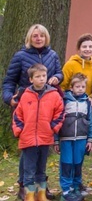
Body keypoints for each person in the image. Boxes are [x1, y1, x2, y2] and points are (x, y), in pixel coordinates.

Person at [3, 24, 63, 200]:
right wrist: (9, 98)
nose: (38, 38)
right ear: (30, 38)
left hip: (46, 104)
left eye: (41, 36)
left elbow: (59, 73)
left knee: (41, 152)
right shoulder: (20, 56)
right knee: (28, 150)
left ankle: (40, 188)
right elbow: (9, 81)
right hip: (26, 103)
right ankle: (24, 186)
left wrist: (57, 77)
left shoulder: (52, 55)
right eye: (35, 36)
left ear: (46, 38)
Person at [12, 64, 64, 201]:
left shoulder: (54, 95)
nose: (41, 79)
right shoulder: (25, 95)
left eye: (43, 76)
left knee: (41, 168)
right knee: (29, 169)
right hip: (28, 138)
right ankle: (29, 196)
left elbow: (60, 112)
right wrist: (19, 131)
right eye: (38, 76)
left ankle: (41, 194)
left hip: (45, 137)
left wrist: (53, 127)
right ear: (31, 79)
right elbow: (18, 115)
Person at [55, 74, 92, 201]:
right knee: (67, 163)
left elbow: (91, 122)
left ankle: (76, 186)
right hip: (66, 138)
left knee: (78, 163)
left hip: (81, 138)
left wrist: (90, 138)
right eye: (77, 86)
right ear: (71, 88)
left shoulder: (87, 103)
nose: (80, 89)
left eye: (83, 86)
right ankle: (66, 189)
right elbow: (57, 119)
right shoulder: (64, 100)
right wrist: (56, 139)